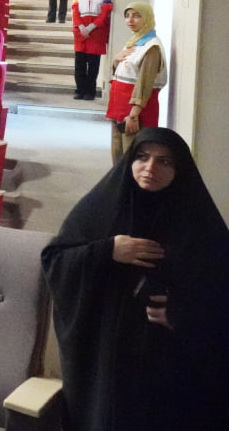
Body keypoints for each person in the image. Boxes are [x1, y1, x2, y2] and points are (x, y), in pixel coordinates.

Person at [41, 127, 229, 430]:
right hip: (109, 357)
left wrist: (183, 314)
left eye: (164, 161)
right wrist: (108, 250)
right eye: (142, 157)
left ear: (179, 169)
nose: (150, 167)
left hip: (171, 364)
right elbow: (55, 260)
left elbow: (221, 293)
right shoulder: (103, 206)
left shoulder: (199, 223)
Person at [107, 2, 166, 163]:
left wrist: (134, 114)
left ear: (147, 18)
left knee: (132, 155)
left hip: (134, 111)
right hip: (119, 106)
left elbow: (145, 83)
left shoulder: (151, 47)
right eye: (127, 16)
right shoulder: (135, 41)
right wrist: (115, 61)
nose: (130, 20)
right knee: (118, 154)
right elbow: (127, 70)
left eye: (136, 16)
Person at [72, 0, 113, 101]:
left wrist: (90, 27)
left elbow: (105, 12)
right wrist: (80, 26)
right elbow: (75, 11)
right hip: (81, 32)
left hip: (96, 32)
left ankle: (90, 91)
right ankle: (80, 90)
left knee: (93, 65)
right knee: (79, 64)